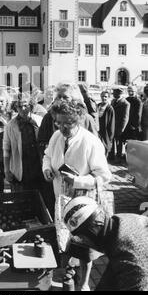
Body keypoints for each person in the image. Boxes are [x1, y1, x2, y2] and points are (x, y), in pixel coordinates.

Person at [42, 99, 111, 291]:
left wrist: (78, 181)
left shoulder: (90, 142)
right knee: (64, 239)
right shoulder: (56, 136)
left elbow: (104, 176)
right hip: (61, 200)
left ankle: (84, 284)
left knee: (84, 246)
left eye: (68, 123)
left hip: (83, 205)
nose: (63, 127)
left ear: (78, 120)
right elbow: (47, 156)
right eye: (59, 122)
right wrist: (47, 169)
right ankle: (67, 275)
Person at [37, 83, 99, 218]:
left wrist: (79, 179)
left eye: (65, 97)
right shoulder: (51, 120)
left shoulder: (86, 120)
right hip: (58, 187)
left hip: (83, 195)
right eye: (58, 97)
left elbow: (98, 156)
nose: (61, 100)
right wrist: (47, 167)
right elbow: (44, 148)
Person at [64, 196, 148, 291]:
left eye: (82, 238)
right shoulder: (118, 221)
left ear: (93, 231)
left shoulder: (131, 264)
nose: (84, 243)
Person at [3, 92, 47, 200]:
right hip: (21, 170)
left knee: (40, 200)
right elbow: (6, 149)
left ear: (31, 106)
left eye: (25, 105)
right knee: (22, 200)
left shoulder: (39, 121)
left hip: (38, 168)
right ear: (15, 107)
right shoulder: (10, 125)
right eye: (19, 106)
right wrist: (7, 170)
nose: (23, 108)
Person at [110, 88, 130, 161]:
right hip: (112, 125)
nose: (113, 95)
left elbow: (125, 118)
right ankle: (111, 156)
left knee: (119, 143)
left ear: (120, 94)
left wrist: (121, 129)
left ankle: (118, 157)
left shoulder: (125, 103)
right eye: (113, 93)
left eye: (115, 93)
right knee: (112, 141)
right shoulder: (113, 101)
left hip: (119, 127)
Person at [97, 90, 115, 157]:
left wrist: (110, 138)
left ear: (108, 98)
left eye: (105, 97)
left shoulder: (110, 109)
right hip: (98, 132)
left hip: (106, 133)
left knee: (104, 152)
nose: (103, 98)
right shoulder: (97, 106)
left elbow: (112, 124)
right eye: (102, 96)